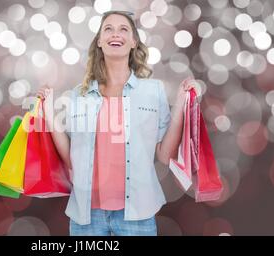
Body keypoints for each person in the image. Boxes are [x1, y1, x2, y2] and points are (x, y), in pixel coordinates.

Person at [36, 10, 195, 236]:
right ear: (100, 41)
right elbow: (70, 157)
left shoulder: (153, 92)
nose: (115, 34)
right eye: (108, 29)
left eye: (123, 29)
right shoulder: (77, 96)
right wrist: (48, 111)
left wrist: (180, 103)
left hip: (137, 216)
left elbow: (164, 154)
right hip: (86, 217)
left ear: (133, 42)